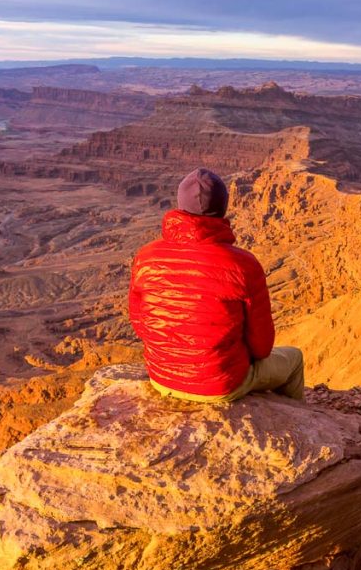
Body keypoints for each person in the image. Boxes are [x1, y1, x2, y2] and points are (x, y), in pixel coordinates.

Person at [128, 167, 304, 403]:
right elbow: (262, 347)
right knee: (294, 359)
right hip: (220, 384)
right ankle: (296, 424)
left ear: (179, 206)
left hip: (161, 377)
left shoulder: (145, 257)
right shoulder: (243, 265)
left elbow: (140, 324)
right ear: (223, 208)